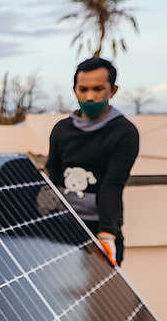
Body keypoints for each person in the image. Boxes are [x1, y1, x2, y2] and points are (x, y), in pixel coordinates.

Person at [45, 57, 139, 266]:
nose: (89, 96)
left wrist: (106, 234)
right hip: (60, 226)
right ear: (74, 89)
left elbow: (112, 185)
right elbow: (53, 173)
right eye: (83, 89)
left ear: (112, 90)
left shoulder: (124, 132)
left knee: (100, 296)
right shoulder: (62, 130)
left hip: (99, 228)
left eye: (97, 89)